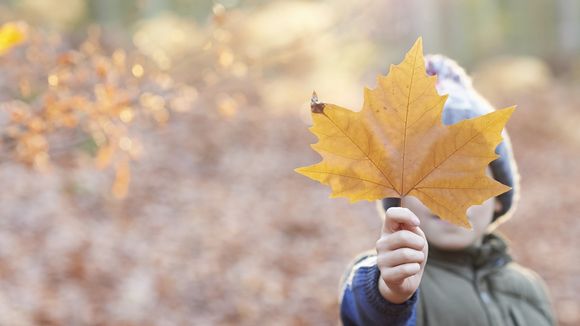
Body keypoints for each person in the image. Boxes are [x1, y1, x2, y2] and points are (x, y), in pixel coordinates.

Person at [338, 55, 555, 326]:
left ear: (498, 197)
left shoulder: (530, 290)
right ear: (399, 197)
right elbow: (368, 310)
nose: (447, 194)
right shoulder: (392, 272)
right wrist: (391, 293)